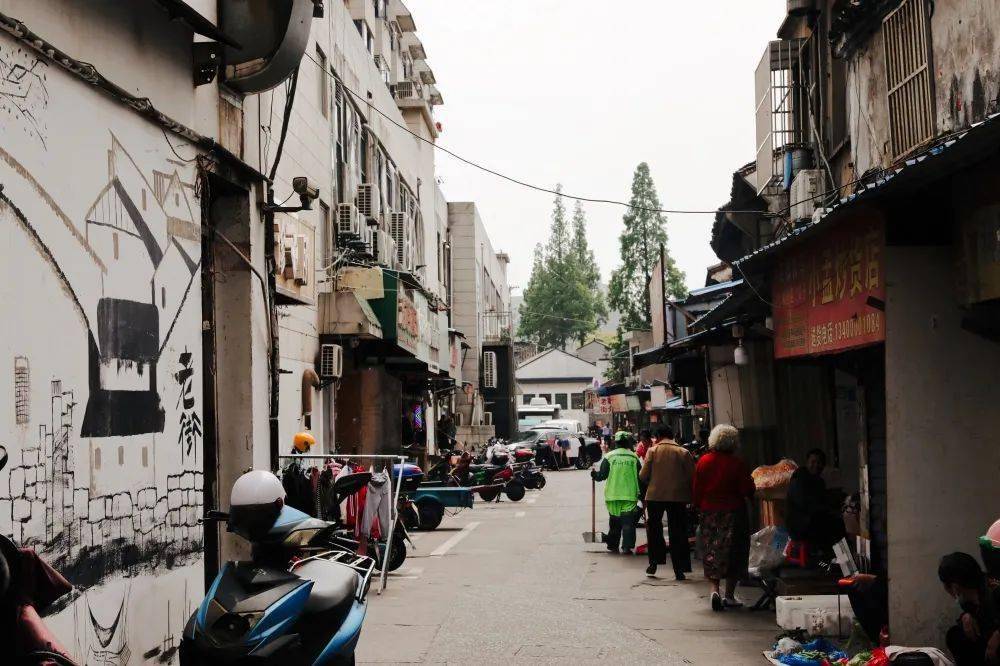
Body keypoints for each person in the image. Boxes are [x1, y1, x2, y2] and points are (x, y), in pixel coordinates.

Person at [693, 424, 755, 611]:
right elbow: (746, 489)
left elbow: (696, 489)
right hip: (733, 512)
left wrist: (698, 507)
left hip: (709, 513)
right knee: (734, 551)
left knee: (712, 551)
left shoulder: (703, 461)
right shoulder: (737, 464)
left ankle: (714, 590)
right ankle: (729, 595)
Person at [640, 426, 695, 579]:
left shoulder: (652, 451)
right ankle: (680, 569)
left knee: (655, 529)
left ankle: (654, 562)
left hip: (655, 496)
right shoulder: (683, 452)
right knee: (678, 531)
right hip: (678, 497)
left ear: (658, 436)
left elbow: (643, 476)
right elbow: (692, 477)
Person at [939, 552, 1000, 665]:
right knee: (955, 635)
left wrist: (998, 635)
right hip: (987, 638)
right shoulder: (968, 600)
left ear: (955, 587)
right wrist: (965, 616)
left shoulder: (994, 588)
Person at [786, 448, 846, 551]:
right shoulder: (799, 479)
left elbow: (822, 499)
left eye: (820, 463)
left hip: (811, 518)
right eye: (813, 462)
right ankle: (831, 557)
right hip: (799, 523)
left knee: (838, 521)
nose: (816, 465)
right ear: (807, 463)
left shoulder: (819, 481)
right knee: (834, 525)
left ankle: (838, 557)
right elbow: (805, 505)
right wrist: (827, 510)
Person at [591, 432, 641, 555]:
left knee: (614, 522)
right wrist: (643, 494)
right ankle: (626, 547)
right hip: (629, 495)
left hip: (612, 496)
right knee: (628, 523)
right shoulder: (634, 458)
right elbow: (641, 477)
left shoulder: (609, 457)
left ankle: (613, 545)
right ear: (627, 443)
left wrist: (594, 475)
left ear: (616, 442)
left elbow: (601, 476)